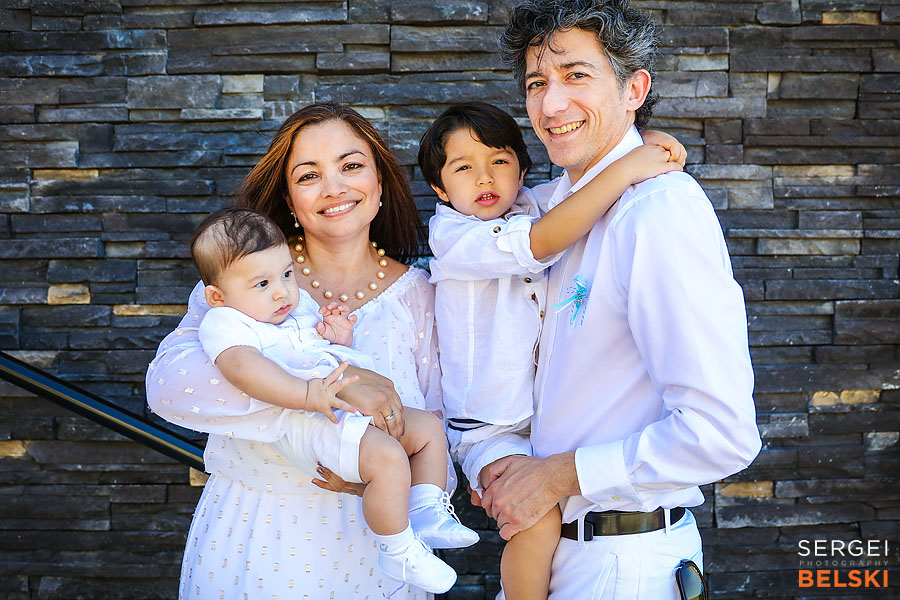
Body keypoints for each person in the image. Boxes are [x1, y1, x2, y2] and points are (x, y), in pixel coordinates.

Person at [474, 1, 763, 598]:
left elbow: (721, 434)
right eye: (536, 83)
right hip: (547, 552)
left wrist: (555, 477)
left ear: (634, 89)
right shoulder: (541, 209)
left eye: (576, 76)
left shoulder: (658, 212)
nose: (551, 105)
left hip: (623, 562)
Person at [146, 103, 456, 599]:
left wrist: (381, 483)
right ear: (289, 198)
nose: (334, 187)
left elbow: (438, 424)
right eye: (309, 175)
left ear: (379, 183)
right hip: (258, 533)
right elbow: (169, 389)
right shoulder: (246, 279)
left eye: (351, 166)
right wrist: (338, 386)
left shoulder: (421, 293)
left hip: (378, 544)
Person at [418, 101, 685, 600]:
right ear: (440, 189)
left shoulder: (531, 204)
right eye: (463, 168)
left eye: (499, 161)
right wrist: (629, 167)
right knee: (536, 519)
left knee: (554, 511)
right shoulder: (453, 236)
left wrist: (638, 143)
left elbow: (580, 194)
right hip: (487, 427)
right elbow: (543, 240)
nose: (484, 177)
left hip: (542, 421)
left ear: (522, 170)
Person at [188, 207, 479, 594]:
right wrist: (309, 394)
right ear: (217, 296)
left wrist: (337, 337)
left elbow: (320, 351)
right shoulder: (227, 322)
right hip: (306, 421)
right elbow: (241, 367)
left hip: (342, 412)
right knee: (388, 458)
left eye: (286, 274)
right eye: (262, 283)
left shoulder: (295, 308)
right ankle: (397, 548)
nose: (281, 291)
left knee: (426, 428)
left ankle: (425, 508)